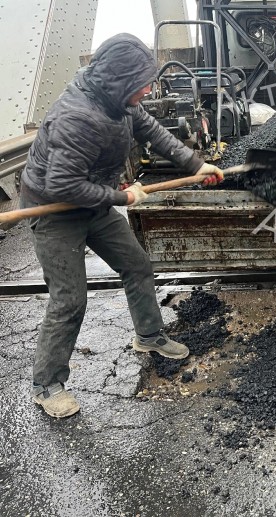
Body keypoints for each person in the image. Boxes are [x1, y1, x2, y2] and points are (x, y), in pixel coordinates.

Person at [20, 33, 224, 419]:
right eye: (142, 84)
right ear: (119, 81)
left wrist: (196, 165)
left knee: (136, 265)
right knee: (69, 300)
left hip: (93, 202)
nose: (147, 91)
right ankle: (47, 384)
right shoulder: (77, 116)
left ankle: (149, 337)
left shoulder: (119, 101)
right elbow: (60, 184)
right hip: (54, 211)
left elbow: (153, 131)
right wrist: (123, 197)